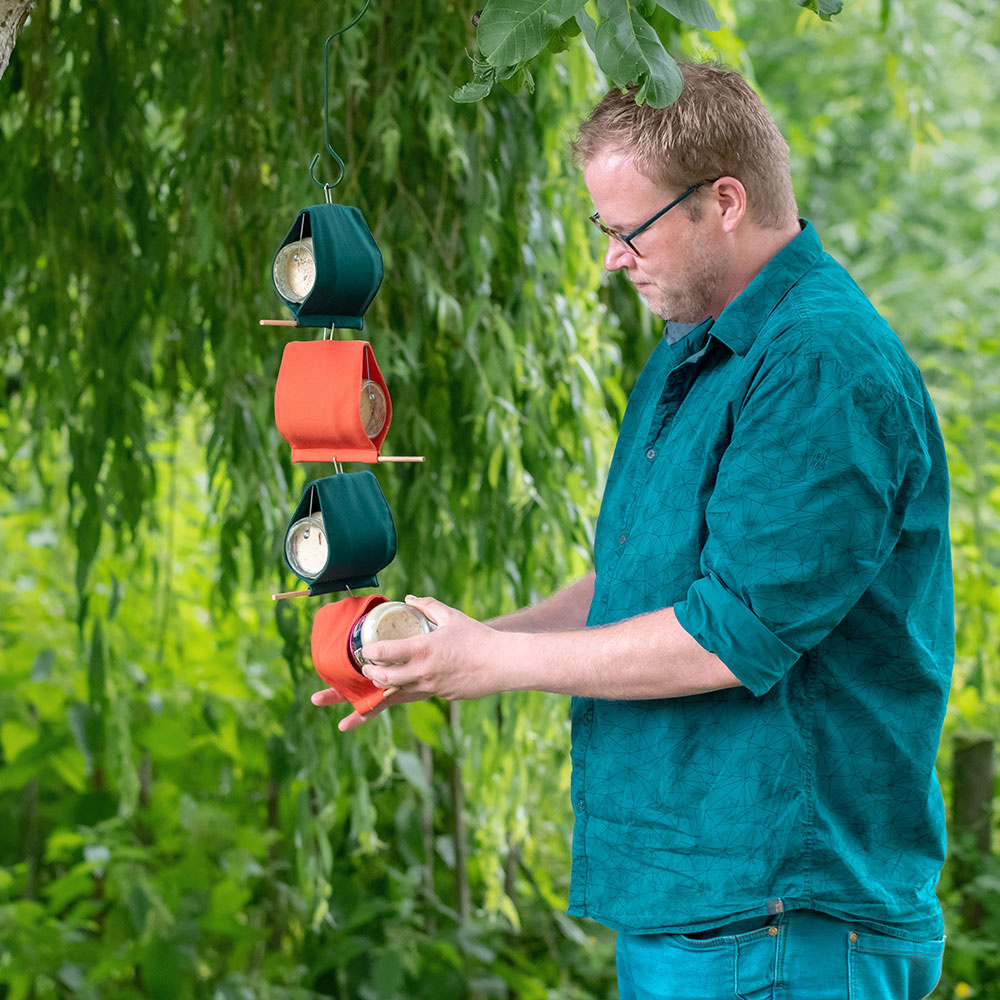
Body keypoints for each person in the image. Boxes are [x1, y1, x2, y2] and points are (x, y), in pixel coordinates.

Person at [312, 61, 953, 1000]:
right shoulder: (696, 348)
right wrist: (459, 652)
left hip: (785, 921)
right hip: (703, 913)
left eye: (629, 229)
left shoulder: (820, 364)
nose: (613, 256)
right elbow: (640, 587)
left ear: (723, 201)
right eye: (603, 229)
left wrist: (493, 665)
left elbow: (732, 635)